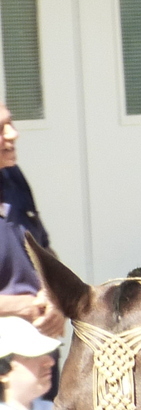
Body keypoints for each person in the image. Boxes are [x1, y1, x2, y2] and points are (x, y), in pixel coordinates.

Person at [0, 111, 61, 341]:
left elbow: (43, 249)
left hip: (37, 346)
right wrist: (19, 306)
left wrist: (53, 293)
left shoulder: (13, 176)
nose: (13, 134)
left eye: (10, 123)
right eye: (1, 128)